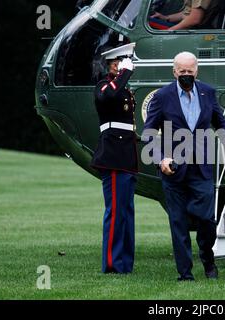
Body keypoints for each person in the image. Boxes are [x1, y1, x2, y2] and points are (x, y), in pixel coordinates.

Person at [143, 51, 225, 281]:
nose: (186, 75)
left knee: (206, 220)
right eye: (182, 72)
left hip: (202, 169)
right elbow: (149, 133)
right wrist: (161, 159)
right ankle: (185, 273)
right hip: (173, 171)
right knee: (178, 222)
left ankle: (208, 260)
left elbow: (220, 123)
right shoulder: (162, 97)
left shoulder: (208, 93)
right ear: (174, 72)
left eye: (190, 71)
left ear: (196, 71)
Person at [90, 43, 138, 274]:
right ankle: (112, 264)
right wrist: (125, 73)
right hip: (113, 155)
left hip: (126, 155)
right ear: (111, 64)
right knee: (116, 211)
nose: (124, 64)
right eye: (120, 61)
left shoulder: (122, 88)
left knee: (127, 212)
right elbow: (110, 95)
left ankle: (125, 263)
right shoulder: (103, 86)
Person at [150, 0, 220, 30]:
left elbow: (194, 19)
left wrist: (168, 32)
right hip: (190, 28)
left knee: (150, 23)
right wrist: (166, 18)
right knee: (151, 20)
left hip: (195, 30)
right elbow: (186, 13)